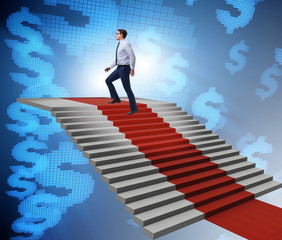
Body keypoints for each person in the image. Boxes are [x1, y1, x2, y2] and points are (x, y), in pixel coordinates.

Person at [105, 29, 138, 115]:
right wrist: (109, 67)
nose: (116, 35)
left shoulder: (126, 44)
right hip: (118, 68)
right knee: (108, 80)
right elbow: (117, 60)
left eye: (117, 33)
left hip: (124, 69)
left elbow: (132, 56)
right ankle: (116, 98)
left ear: (122, 35)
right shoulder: (119, 44)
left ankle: (134, 108)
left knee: (127, 89)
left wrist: (132, 68)